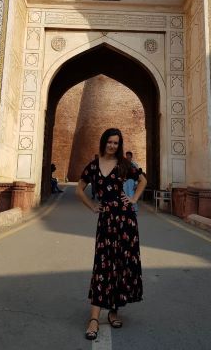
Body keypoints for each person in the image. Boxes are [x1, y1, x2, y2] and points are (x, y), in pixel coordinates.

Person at [76, 128, 147, 341]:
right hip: (106, 220)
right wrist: (92, 206)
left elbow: (142, 180)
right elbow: (79, 189)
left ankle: (114, 310)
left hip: (125, 220)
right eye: (110, 142)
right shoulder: (94, 166)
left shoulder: (125, 165)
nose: (113, 146)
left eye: (116, 143)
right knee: (103, 265)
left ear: (120, 145)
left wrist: (133, 199)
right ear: (104, 142)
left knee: (121, 265)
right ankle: (94, 319)